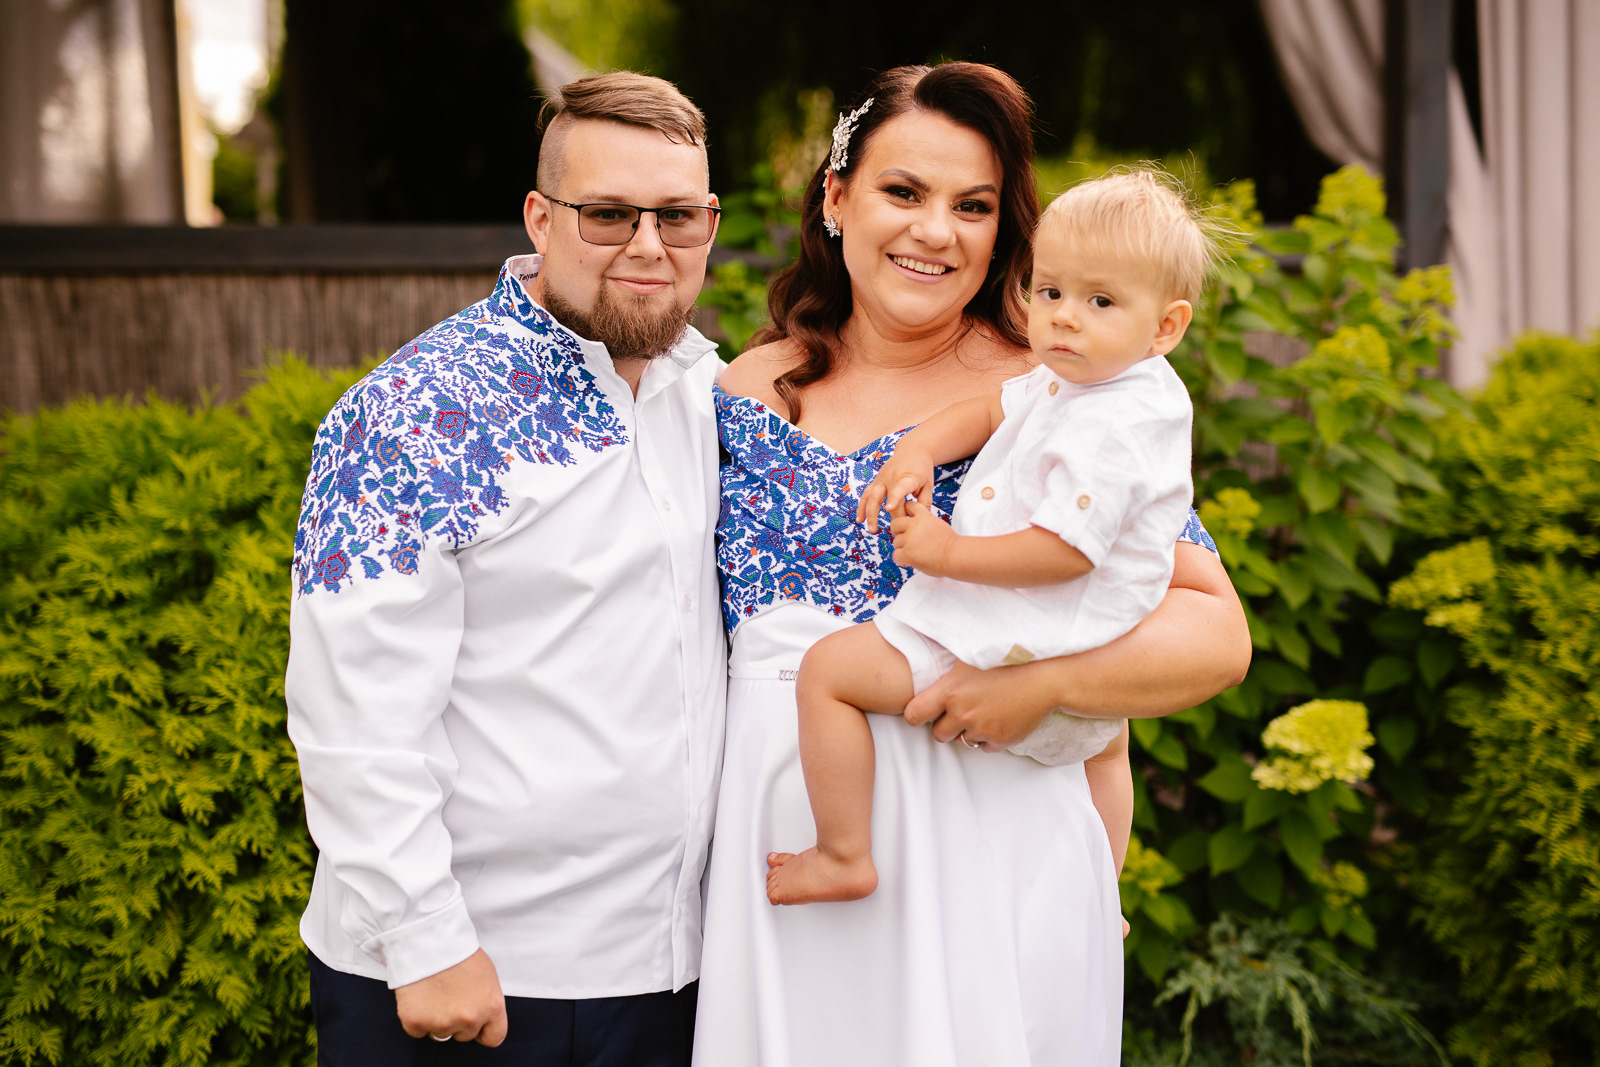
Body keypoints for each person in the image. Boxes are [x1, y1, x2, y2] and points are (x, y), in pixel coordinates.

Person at [693, 62, 1252, 1067]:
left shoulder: (1062, 393)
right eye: (903, 191)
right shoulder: (738, 390)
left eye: (973, 206)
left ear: (1003, 232)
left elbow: (1213, 631)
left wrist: (1046, 684)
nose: (935, 230)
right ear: (835, 197)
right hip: (779, 860)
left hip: (990, 855)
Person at [286, 72, 726, 1065]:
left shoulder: (710, 392)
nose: (648, 246)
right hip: (471, 973)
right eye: (609, 214)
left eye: (678, 216)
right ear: (540, 217)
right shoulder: (411, 413)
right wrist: (425, 941)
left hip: (674, 969)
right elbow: (352, 712)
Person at [768, 168, 1220, 907]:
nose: (1065, 318)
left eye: (1100, 301)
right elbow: (988, 412)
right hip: (1088, 635)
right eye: (1051, 291)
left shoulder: (1116, 423)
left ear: (1166, 328)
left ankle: (842, 852)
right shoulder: (1085, 377)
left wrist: (948, 553)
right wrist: (917, 451)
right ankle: (1102, 897)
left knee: (828, 674)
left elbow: (1065, 551)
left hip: (1016, 634)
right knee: (1106, 750)